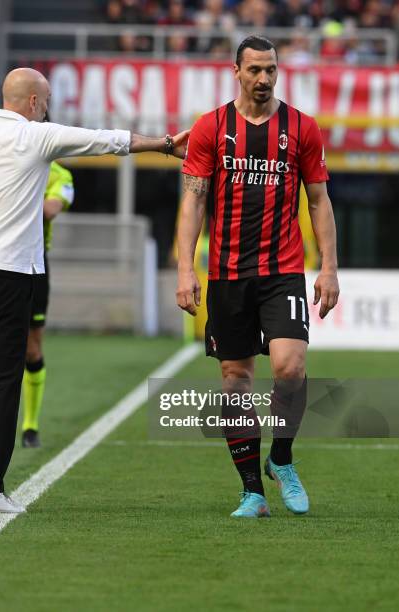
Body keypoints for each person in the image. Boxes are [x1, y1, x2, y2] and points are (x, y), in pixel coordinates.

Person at [0, 67, 189, 515]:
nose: (49, 108)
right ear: (34, 103)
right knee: (2, 383)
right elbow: (106, 140)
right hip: (9, 276)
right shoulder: (35, 137)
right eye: (48, 100)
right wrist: (165, 144)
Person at [176, 35, 339, 518]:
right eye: (255, 70)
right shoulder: (211, 128)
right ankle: (252, 491)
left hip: (283, 270)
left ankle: (282, 457)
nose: (264, 79)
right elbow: (194, 199)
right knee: (236, 380)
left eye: (271, 69)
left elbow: (319, 201)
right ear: (236, 71)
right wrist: (186, 267)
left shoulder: (302, 128)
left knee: (291, 368)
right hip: (227, 275)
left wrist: (329, 267)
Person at [0, 152, 75, 449]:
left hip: (33, 264)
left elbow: (51, 208)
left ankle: (30, 426)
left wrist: (13, 197)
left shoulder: (60, 174)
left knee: (32, 348)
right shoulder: (0, 162)